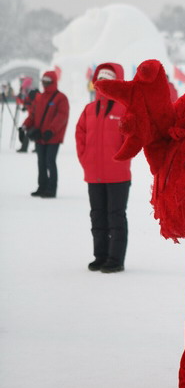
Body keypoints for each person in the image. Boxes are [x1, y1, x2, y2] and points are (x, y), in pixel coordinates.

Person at [75, 63, 132, 273]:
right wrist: (86, 159)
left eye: (108, 81)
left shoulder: (124, 109)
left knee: (115, 216)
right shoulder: (89, 110)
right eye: (100, 81)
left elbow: (132, 139)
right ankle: (100, 256)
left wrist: (121, 158)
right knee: (97, 215)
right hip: (94, 174)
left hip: (118, 175)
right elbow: (80, 135)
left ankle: (115, 259)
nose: (103, 85)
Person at [23, 71, 69, 198]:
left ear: (53, 81)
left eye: (47, 81)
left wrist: (51, 130)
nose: (44, 84)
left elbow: (62, 116)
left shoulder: (61, 98)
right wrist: (26, 125)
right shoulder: (41, 97)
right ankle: (42, 186)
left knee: (50, 161)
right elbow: (33, 114)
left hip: (53, 137)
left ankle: (51, 189)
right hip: (40, 136)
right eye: (43, 81)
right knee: (41, 162)